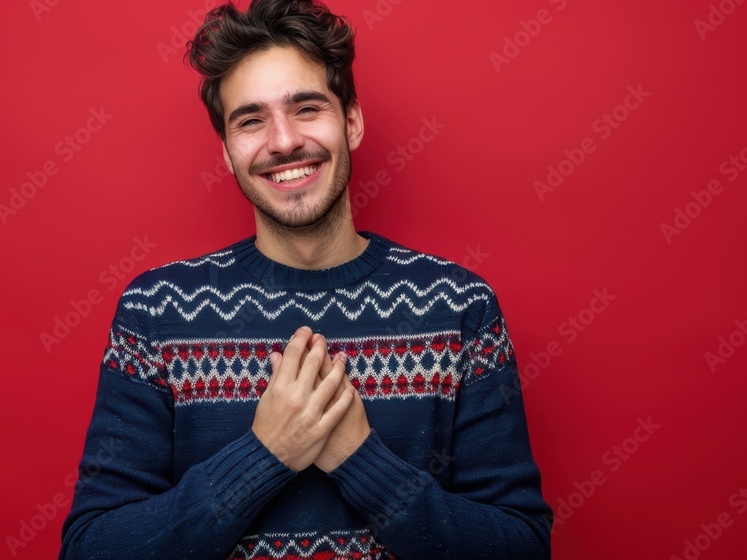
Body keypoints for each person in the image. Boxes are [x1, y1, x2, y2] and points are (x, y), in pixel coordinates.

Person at [59, 0, 553, 558]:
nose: (285, 141)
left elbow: (522, 547)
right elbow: (90, 549)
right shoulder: (156, 311)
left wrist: (359, 462)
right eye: (250, 120)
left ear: (352, 121)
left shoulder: (460, 307)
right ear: (226, 151)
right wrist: (266, 454)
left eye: (307, 108)